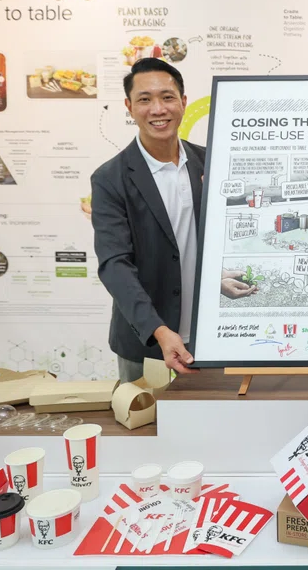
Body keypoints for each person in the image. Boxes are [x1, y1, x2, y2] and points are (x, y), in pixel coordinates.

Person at [91, 58, 254, 383]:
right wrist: (158, 329)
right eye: (145, 99)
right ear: (129, 107)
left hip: (214, 336)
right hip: (148, 342)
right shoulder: (110, 178)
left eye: (167, 97)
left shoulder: (214, 163)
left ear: (183, 101)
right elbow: (115, 265)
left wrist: (219, 279)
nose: (158, 109)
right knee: (148, 416)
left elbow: (230, 240)